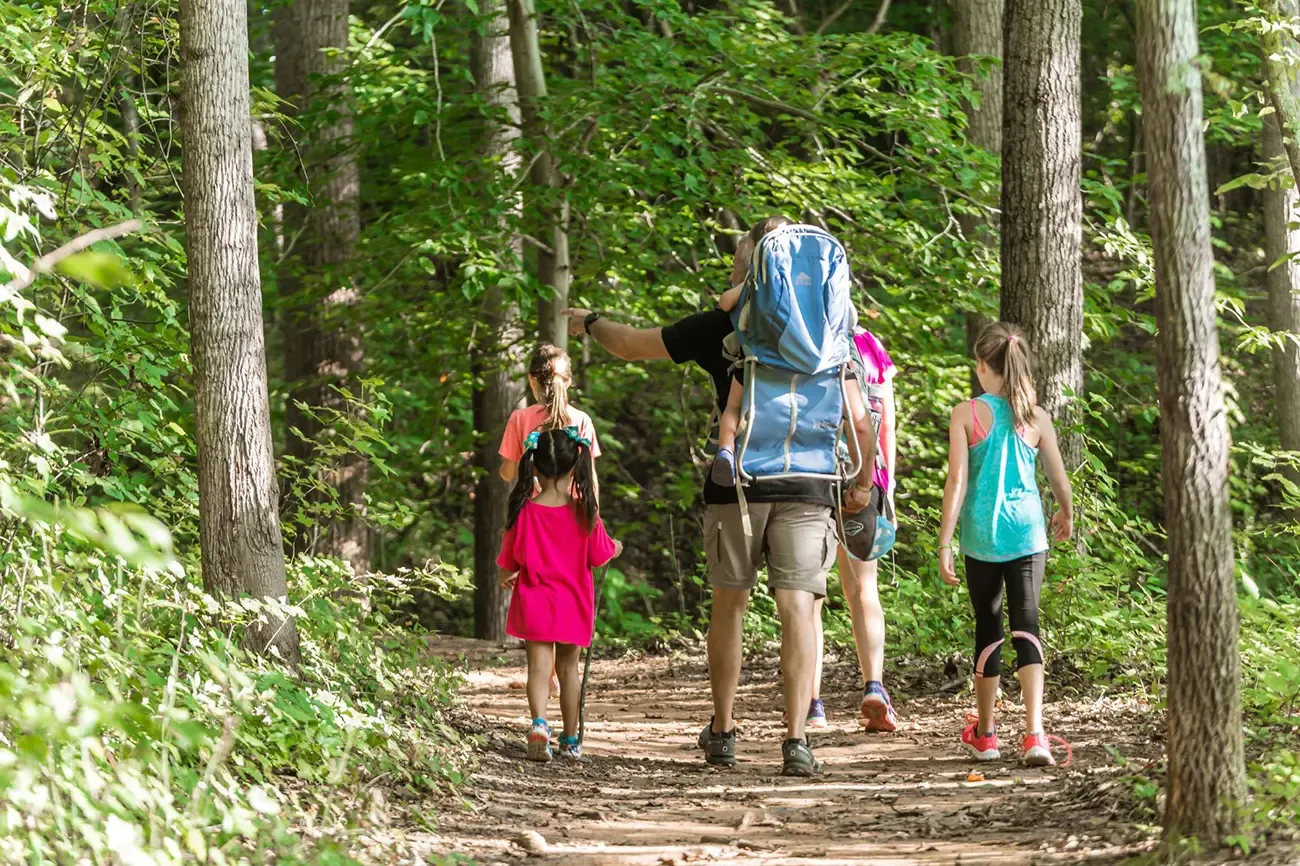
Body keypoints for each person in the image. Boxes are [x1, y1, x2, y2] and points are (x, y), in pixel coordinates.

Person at [564, 216, 878, 777]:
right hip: (809, 486)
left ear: (756, 268)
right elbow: (861, 419)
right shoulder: (833, 333)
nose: (733, 272)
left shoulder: (724, 329)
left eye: (739, 262)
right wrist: (860, 482)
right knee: (799, 607)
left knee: (730, 603)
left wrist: (590, 322)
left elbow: (633, 346)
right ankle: (797, 738)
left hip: (736, 485)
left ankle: (725, 730)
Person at [936, 322, 1073, 767]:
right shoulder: (1035, 415)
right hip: (1028, 534)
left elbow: (957, 481)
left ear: (981, 366)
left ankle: (988, 735)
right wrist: (1066, 512)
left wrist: (945, 541)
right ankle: (1035, 735)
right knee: (1027, 626)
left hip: (981, 536)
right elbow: (1056, 476)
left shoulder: (966, 414)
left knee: (988, 628)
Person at [497, 427, 622, 762]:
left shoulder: (525, 511)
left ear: (534, 467)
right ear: (574, 468)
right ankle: (570, 740)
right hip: (572, 602)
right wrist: (616, 547)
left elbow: (507, 563)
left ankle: (539, 724)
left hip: (535, 600)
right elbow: (600, 555)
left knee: (538, 667)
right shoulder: (585, 512)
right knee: (568, 670)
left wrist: (506, 577)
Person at [499, 343, 602, 697]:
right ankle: (561, 677)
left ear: (532, 381)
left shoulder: (520, 419)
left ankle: (545, 680)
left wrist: (516, 458)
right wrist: (594, 519)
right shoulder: (582, 421)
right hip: (574, 520)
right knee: (568, 589)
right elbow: (592, 477)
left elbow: (507, 471)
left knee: (539, 589)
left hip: (532, 518)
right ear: (568, 381)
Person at [810, 327, 900, 732]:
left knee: (810, 594)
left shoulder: (804, 336)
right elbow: (886, 428)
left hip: (810, 476)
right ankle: (874, 685)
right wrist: (886, 485)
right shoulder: (870, 346)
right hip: (867, 478)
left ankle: (811, 704)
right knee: (864, 591)